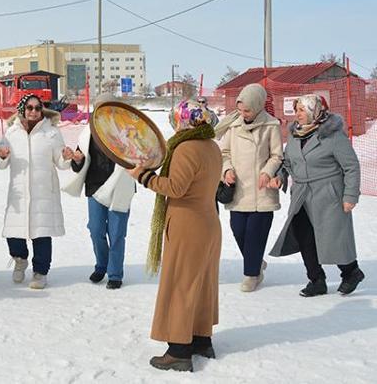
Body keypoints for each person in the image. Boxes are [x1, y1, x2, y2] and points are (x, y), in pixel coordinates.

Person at [128, 99, 221, 372]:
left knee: (181, 284)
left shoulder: (185, 147)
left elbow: (176, 188)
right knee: (201, 283)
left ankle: (179, 351)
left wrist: (143, 177)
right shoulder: (211, 146)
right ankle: (201, 340)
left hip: (187, 225)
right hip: (208, 223)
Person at [268, 94, 364, 296]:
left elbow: (351, 167)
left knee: (333, 236)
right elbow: (288, 162)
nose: (297, 114)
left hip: (328, 194)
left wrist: (350, 196)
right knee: (304, 236)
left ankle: (351, 272)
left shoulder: (333, 136)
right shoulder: (295, 134)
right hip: (301, 194)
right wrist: (280, 176)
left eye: (302, 110)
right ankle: (316, 280)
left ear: (315, 111)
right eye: (296, 110)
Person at [0, 94, 73, 290]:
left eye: (37, 108)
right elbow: (2, 164)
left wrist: (66, 157)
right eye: (29, 107)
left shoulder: (52, 133)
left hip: (44, 192)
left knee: (41, 234)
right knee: (14, 234)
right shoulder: (11, 133)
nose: (34, 111)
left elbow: (61, 163)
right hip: (19, 192)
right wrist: (1, 156)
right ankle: (20, 260)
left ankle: (40, 272)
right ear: (23, 109)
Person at [63, 92, 136, 289]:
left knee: (117, 232)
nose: (105, 112)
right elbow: (79, 162)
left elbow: (139, 158)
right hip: (95, 187)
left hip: (120, 188)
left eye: (110, 108)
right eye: (100, 108)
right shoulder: (87, 133)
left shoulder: (128, 131)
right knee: (96, 230)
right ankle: (102, 265)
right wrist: (76, 160)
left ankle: (115, 274)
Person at [216, 83, 283, 292]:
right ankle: (256, 261)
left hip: (261, 191)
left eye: (247, 110)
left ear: (258, 106)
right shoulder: (233, 126)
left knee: (255, 233)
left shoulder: (271, 125)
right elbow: (224, 153)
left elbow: (277, 155)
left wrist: (267, 172)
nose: (243, 114)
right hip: (239, 190)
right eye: (240, 109)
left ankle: (252, 274)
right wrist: (227, 170)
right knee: (238, 230)